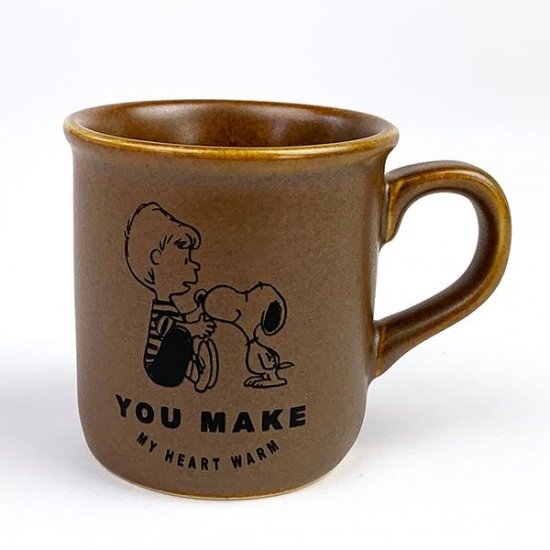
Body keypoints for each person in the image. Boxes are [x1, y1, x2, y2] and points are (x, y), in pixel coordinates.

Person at [124, 202, 217, 391]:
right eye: (185, 260)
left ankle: (197, 373)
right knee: (179, 336)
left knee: (183, 338)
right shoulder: (160, 308)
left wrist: (200, 311)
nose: (195, 266)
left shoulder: (170, 305)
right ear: (156, 258)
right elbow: (167, 328)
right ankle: (196, 371)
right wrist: (195, 328)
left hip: (168, 366)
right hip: (157, 368)